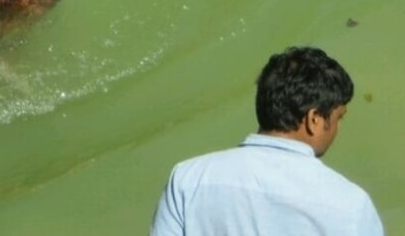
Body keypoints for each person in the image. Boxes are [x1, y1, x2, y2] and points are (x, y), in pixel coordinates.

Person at [150, 46, 383, 235]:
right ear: (313, 119)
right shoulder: (350, 205)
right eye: (338, 117)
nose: (338, 128)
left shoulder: (188, 180)